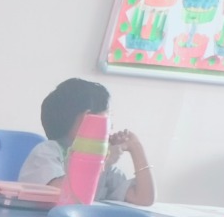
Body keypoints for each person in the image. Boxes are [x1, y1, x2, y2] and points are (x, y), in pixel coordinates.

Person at [18, 78, 155, 207]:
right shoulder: (46, 152)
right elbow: (61, 196)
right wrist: (103, 162)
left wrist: (136, 147)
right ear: (88, 118)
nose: (111, 125)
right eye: (108, 116)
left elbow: (144, 198)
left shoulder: (103, 163)